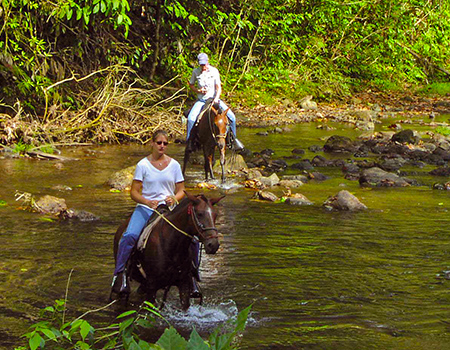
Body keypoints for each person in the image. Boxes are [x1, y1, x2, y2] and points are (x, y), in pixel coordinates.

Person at [111, 130, 191, 297]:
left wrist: (174, 198)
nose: (162, 146)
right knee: (129, 236)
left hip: (168, 209)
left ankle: (193, 277)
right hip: (147, 208)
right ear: (152, 143)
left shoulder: (175, 165)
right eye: (159, 142)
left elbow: (181, 190)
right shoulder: (143, 165)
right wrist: (146, 201)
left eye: (165, 143)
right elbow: (134, 192)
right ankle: (120, 275)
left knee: (193, 238)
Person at [186, 52, 244, 151]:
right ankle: (190, 143)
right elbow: (191, 84)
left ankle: (233, 140)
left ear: (208, 62)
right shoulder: (196, 72)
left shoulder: (214, 71)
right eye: (201, 64)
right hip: (201, 100)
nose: (203, 66)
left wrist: (216, 98)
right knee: (191, 119)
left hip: (214, 99)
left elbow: (218, 87)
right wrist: (198, 90)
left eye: (204, 64)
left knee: (232, 117)